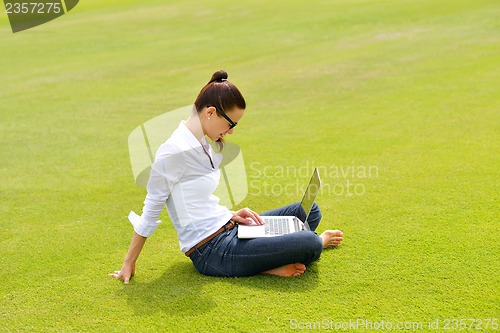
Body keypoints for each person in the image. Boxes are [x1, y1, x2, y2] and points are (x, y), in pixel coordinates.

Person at [110, 70, 343, 283]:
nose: (231, 131)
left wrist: (231, 215)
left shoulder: (200, 142)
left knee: (308, 212)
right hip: (211, 249)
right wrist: (129, 262)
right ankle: (271, 261)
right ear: (210, 112)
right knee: (311, 242)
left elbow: (195, 201)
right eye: (231, 124)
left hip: (229, 227)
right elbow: (151, 209)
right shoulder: (174, 151)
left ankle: (265, 258)